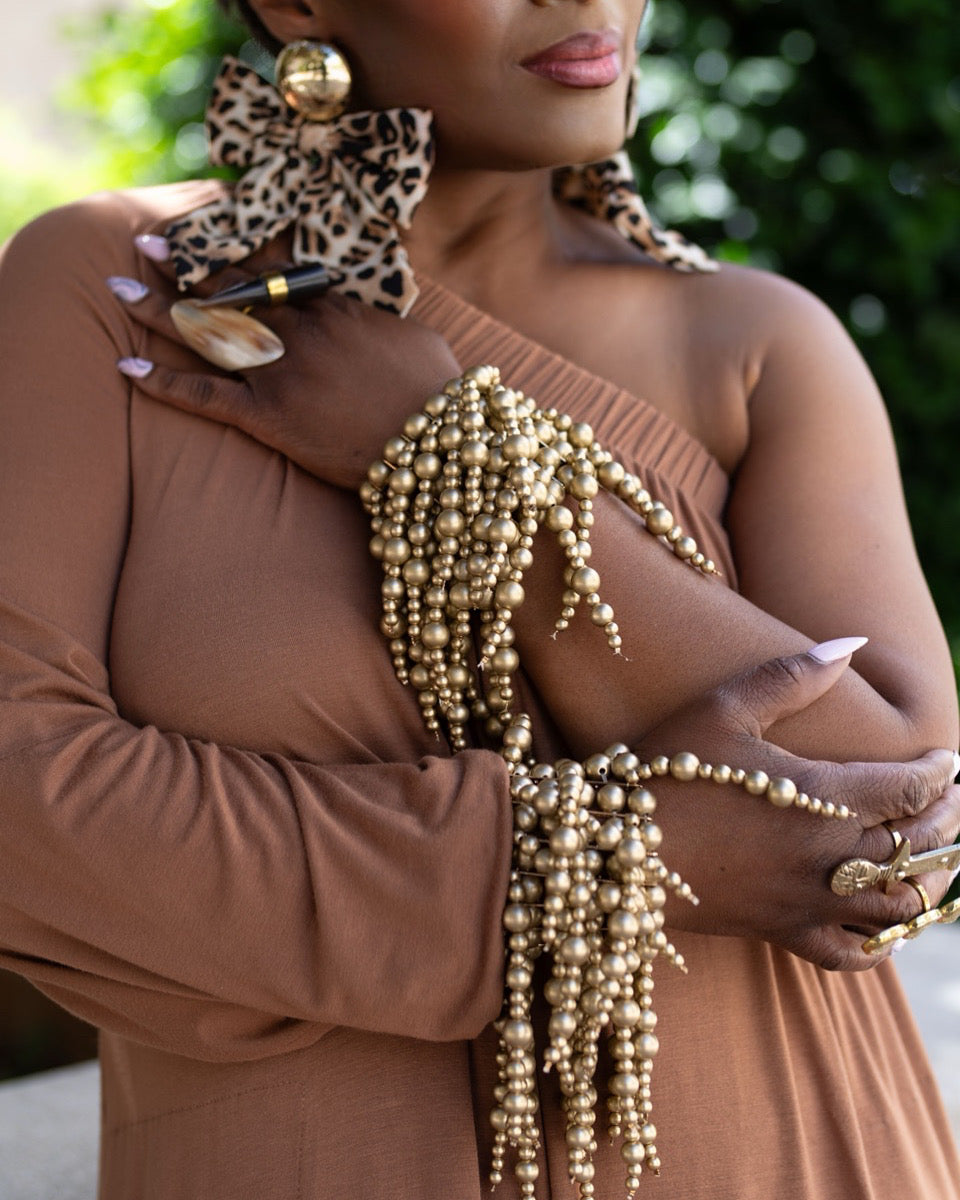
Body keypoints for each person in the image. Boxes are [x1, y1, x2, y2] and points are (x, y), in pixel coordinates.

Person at [0, 1, 958, 1197]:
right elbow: (21, 807)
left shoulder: (756, 343)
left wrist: (450, 450)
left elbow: (899, 825)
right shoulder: (117, 289)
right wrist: (604, 857)